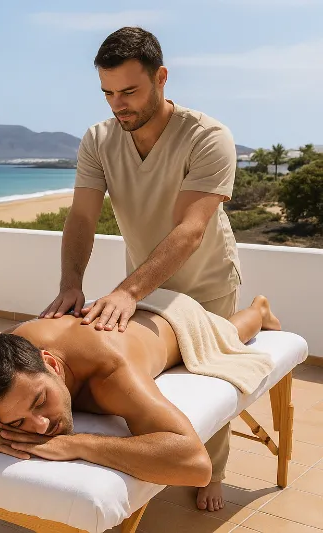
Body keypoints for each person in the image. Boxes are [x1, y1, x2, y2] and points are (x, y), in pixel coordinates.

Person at [38, 27, 242, 511]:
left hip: (206, 281)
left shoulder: (207, 137)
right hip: (148, 286)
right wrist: (72, 284)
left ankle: (213, 469)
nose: (118, 104)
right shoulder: (99, 138)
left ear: (162, 78)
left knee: (211, 381)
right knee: (147, 380)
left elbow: (191, 229)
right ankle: (154, 452)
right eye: (108, 93)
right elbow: (82, 218)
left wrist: (126, 292)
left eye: (129, 91)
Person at [0, 293, 281, 491]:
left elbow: (195, 465)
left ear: (52, 365)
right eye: (17, 421)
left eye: (41, 401)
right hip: (109, 315)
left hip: (176, 320)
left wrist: (82, 444)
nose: (41, 426)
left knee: (231, 332)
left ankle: (259, 309)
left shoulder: (110, 371)